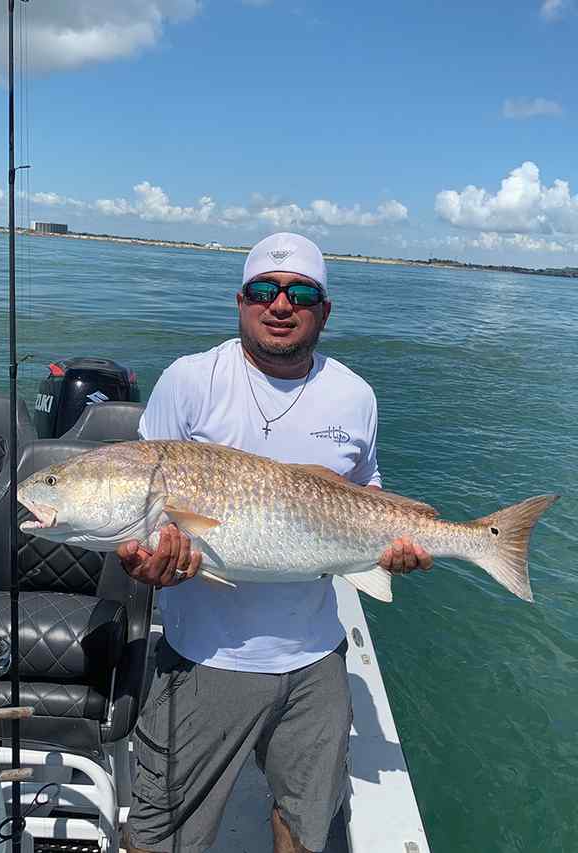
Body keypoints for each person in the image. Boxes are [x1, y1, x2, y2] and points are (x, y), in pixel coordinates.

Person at [118, 232, 432, 853]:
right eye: (264, 290)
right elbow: (143, 505)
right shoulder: (189, 380)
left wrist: (392, 549)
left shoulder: (355, 395)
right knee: (158, 837)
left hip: (318, 658)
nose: (280, 305)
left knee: (307, 826)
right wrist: (143, 562)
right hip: (205, 660)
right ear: (241, 300)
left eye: (300, 293)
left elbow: (367, 492)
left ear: (324, 308)